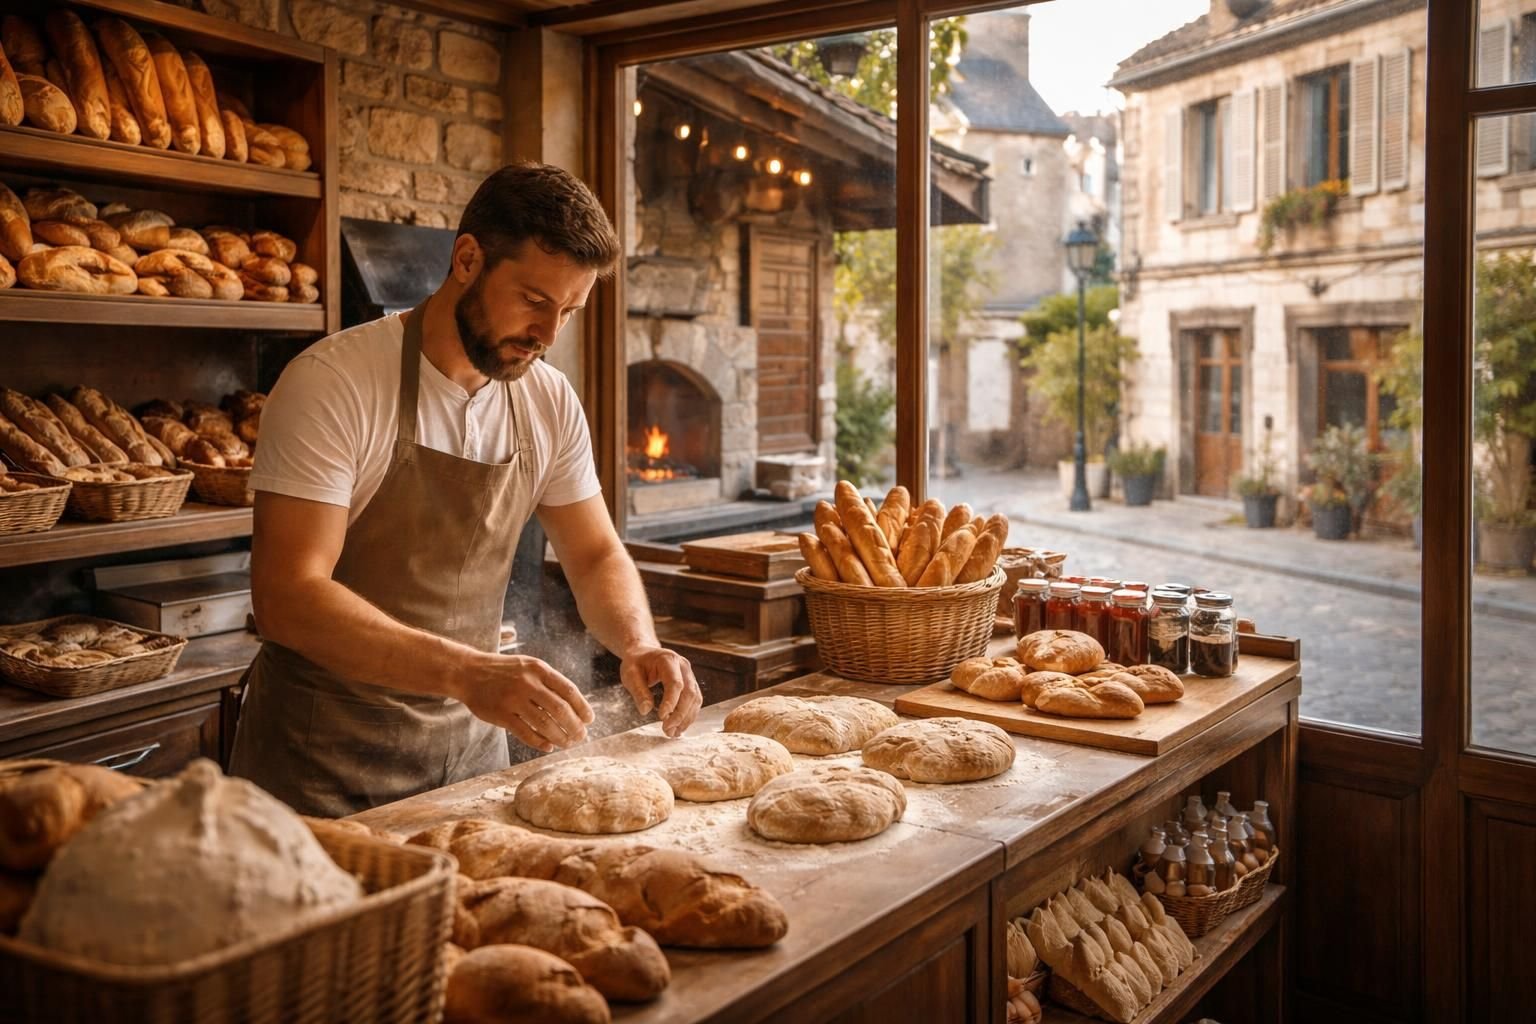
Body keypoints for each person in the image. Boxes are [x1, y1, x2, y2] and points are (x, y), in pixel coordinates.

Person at [228, 162, 702, 816]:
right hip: (318, 769)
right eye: (536, 301)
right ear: (468, 260)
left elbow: (593, 553)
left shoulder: (548, 402)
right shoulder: (333, 383)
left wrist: (639, 643)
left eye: (569, 311)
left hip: (466, 765)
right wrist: (467, 673)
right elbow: (287, 595)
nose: (548, 335)